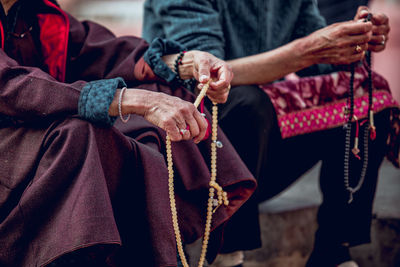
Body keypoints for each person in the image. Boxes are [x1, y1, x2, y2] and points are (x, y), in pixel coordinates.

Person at [0, 0, 258, 266]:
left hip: (32, 129)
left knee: (165, 98)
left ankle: (169, 252)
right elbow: (11, 85)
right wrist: (129, 99)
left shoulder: (31, 10)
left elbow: (98, 52)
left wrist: (183, 63)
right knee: (79, 134)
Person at [142, 1, 399, 266]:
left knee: (367, 94)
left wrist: (351, 41)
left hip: (256, 153)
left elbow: (324, 66)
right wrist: (306, 50)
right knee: (246, 103)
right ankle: (226, 255)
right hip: (188, 160)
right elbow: (205, 78)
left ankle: (333, 251)